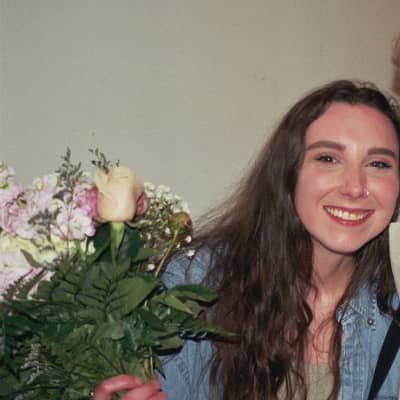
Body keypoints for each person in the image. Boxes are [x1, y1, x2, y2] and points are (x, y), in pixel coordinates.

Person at [93, 80, 400, 400]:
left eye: (378, 164)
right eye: (328, 158)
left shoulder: (394, 305)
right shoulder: (196, 285)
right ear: (288, 172)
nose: (355, 187)